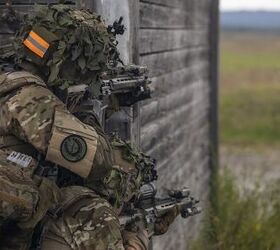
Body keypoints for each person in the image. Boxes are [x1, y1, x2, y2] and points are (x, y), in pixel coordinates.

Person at [0, 4, 179, 250]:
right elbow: (98, 161)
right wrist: (84, 112)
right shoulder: (28, 97)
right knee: (93, 216)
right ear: (67, 63)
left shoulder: (9, 75)